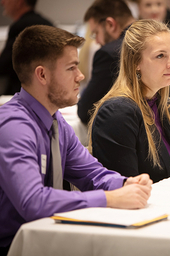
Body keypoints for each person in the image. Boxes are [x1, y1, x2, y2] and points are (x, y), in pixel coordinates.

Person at [0, 25, 152, 255]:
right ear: (42, 74)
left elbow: (92, 174)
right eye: (71, 68)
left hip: (46, 239)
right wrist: (109, 198)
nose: (80, 76)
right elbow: (33, 202)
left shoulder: (56, 122)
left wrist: (124, 185)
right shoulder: (14, 127)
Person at [89, 19, 170, 184]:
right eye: (160, 55)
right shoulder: (117, 113)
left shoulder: (166, 106)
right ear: (136, 62)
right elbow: (125, 187)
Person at [77, 0, 135, 125]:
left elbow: (86, 111)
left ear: (110, 25)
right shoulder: (168, 44)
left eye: (96, 33)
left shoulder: (109, 53)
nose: (97, 41)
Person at [137, 0, 170, 106]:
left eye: (159, 4)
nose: (154, 9)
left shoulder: (168, 37)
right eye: (148, 5)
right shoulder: (134, 40)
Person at [0, 0, 53, 96]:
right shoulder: (47, 23)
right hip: (46, 91)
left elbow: (4, 65)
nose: (2, 2)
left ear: (19, 2)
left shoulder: (20, 27)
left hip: (22, 93)